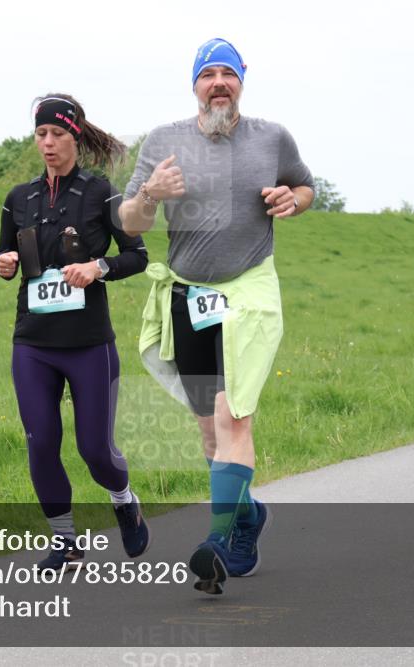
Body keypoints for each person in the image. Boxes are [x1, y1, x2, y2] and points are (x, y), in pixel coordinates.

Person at [119, 38, 315, 594]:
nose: (219, 82)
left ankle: (218, 541)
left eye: (229, 73)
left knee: (233, 417)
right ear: (195, 85)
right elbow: (132, 223)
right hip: (191, 298)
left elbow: (306, 186)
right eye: (210, 74)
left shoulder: (272, 137)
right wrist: (151, 194)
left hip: (249, 292)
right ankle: (248, 518)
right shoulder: (163, 141)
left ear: (242, 83)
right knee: (209, 432)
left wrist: (291, 201)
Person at [0, 94, 151, 569]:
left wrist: (97, 266)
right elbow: (5, 257)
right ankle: (65, 541)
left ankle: (124, 500)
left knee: (94, 450)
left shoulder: (101, 192)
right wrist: (4, 264)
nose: (48, 143)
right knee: (40, 442)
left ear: (75, 137)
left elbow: (137, 255)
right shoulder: (19, 198)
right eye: (41, 134)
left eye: (57, 134)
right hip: (33, 342)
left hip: (88, 344)